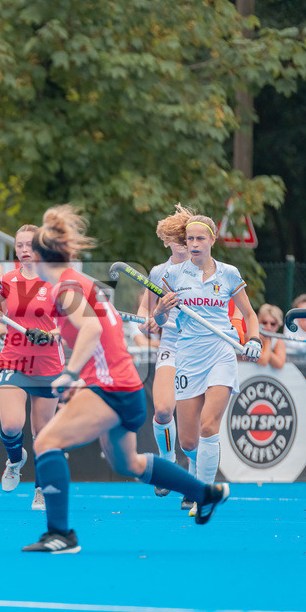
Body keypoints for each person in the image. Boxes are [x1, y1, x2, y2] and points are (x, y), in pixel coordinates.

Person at [24, 205, 230, 554]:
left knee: (46, 442)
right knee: (127, 463)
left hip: (110, 388)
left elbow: (90, 329)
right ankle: (203, 492)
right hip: (124, 386)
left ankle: (61, 534)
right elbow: (106, 334)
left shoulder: (65, 289)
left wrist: (72, 373)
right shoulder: (82, 282)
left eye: (29, 255)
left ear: (41, 258)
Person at [152, 209, 261, 511]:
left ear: (212, 240)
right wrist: (161, 307)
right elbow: (160, 320)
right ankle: (195, 477)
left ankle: (203, 495)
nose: (195, 244)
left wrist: (254, 340)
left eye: (200, 238)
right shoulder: (172, 275)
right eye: (190, 239)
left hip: (221, 352)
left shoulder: (229, 273)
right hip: (187, 356)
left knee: (209, 426)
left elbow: (250, 315)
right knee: (188, 442)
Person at [0, 224, 64, 510]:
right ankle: (15, 459)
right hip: (14, 358)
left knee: (42, 432)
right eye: (19, 245)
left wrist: (50, 335)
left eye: (29, 245)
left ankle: (41, 489)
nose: (24, 250)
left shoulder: (57, 282)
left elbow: (70, 328)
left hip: (48, 363)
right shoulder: (6, 279)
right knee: (11, 425)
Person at [134, 207, 190, 495]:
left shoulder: (206, 269)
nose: (182, 244)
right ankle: (168, 463)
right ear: (166, 241)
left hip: (201, 349)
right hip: (171, 346)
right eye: (175, 238)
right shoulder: (159, 272)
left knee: (196, 432)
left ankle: (195, 479)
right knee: (164, 410)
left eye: (186, 238)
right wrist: (149, 320)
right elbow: (146, 311)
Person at [257, 304, 287, 370]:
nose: (268, 327)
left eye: (273, 324)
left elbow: (280, 364)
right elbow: (263, 361)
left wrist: (266, 347)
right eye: (264, 322)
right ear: (259, 321)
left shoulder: (278, 340)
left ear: (278, 325)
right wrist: (268, 343)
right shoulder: (253, 336)